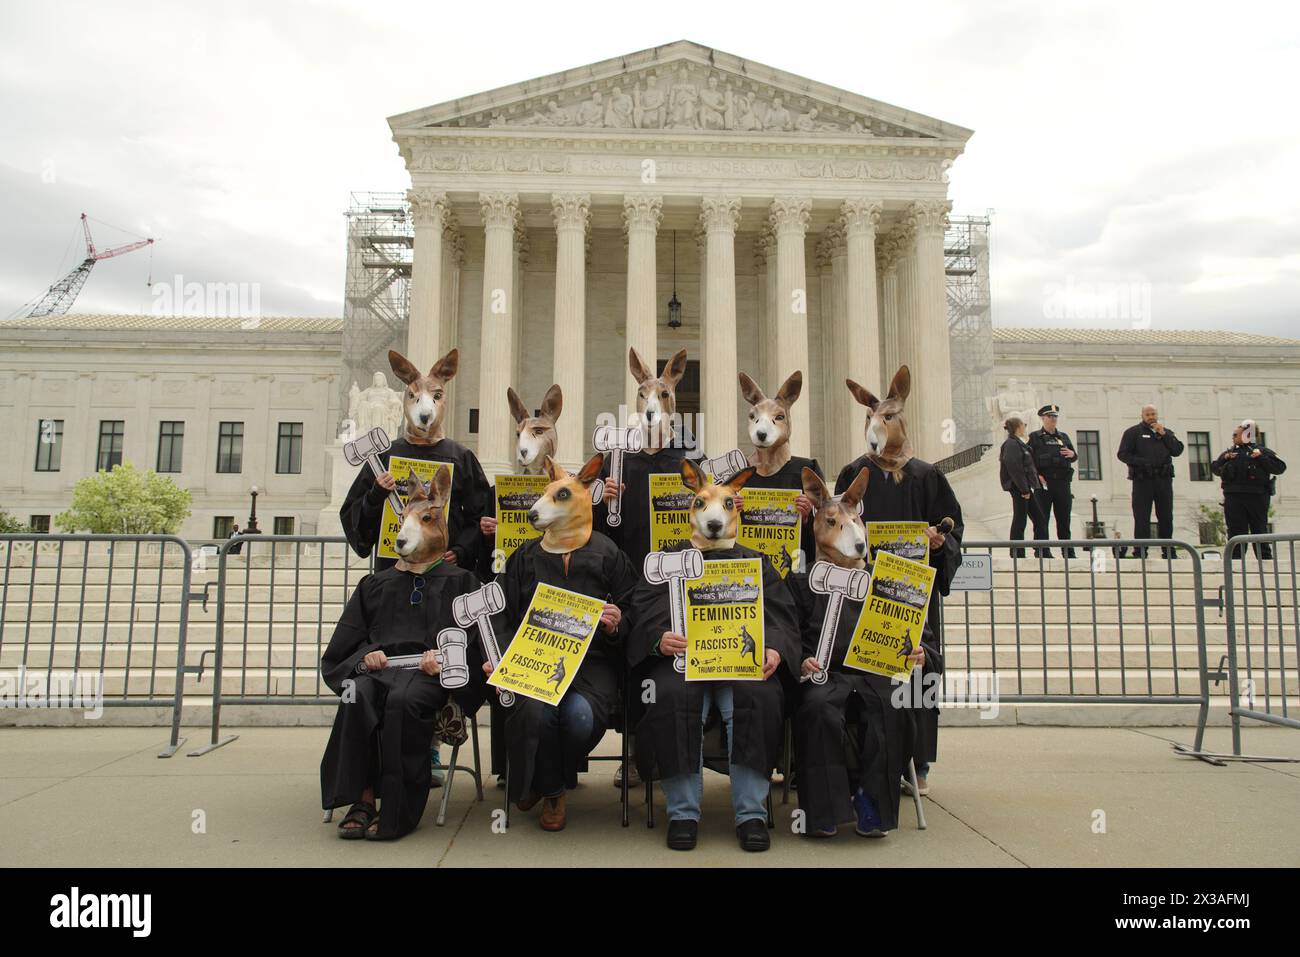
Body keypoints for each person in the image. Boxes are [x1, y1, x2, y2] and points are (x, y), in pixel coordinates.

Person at [628, 460, 801, 852]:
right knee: (669, 697)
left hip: (739, 664)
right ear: (692, 510)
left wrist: (773, 648)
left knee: (758, 696)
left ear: (735, 509)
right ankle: (683, 812)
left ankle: (751, 813)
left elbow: (781, 615)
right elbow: (642, 609)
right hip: (682, 665)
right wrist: (658, 638)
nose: (713, 516)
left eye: (724, 505)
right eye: (704, 505)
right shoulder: (665, 562)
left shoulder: (756, 561)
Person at [320, 467, 487, 840]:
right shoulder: (376, 585)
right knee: (357, 694)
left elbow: (477, 643)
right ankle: (361, 799)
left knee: (404, 700)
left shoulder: (463, 583)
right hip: (378, 669)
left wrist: (444, 661)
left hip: (427, 676)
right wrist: (365, 658)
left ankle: (397, 810)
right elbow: (345, 644)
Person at [486, 454, 639, 831]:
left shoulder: (608, 554)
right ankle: (552, 788)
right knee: (535, 713)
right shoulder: (525, 557)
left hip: (593, 665)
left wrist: (616, 623)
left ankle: (543, 777)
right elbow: (501, 614)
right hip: (535, 660)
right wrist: (501, 656)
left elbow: (635, 607)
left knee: (579, 716)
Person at [836, 366, 963, 797]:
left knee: (918, 665)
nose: (877, 429)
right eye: (871, 421)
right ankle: (863, 756)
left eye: (885, 420)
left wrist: (940, 541)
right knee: (865, 669)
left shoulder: (927, 476)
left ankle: (919, 760)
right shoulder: (854, 472)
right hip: (863, 589)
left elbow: (952, 528)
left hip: (916, 592)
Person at [790, 466, 934, 838]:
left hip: (876, 676)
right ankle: (824, 812)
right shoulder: (801, 582)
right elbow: (787, 633)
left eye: (854, 521)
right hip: (824, 676)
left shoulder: (888, 581)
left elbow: (922, 634)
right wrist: (799, 659)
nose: (849, 530)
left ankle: (872, 807)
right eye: (837, 522)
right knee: (817, 709)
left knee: (894, 709)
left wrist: (920, 653)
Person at [1211, 420, 1286, 560]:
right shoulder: (1229, 453)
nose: (1233, 437)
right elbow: (1215, 469)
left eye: (1236, 435)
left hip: (1257, 497)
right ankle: (1235, 562)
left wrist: (1261, 457)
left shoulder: (1261, 451)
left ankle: (1265, 561)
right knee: (1236, 532)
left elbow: (1280, 468)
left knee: (1259, 530)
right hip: (1234, 497)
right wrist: (1225, 459)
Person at [1116, 404, 1184, 559]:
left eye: (1153, 414)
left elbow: (1177, 450)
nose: (1151, 417)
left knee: (1166, 516)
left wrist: (1164, 434)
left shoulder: (1165, 432)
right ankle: (1140, 551)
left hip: (1163, 480)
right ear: (1142, 415)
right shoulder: (1133, 432)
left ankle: (1168, 550)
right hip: (1143, 480)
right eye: (1148, 414)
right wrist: (1142, 462)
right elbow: (1122, 454)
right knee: (1142, 517)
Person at [1027, 403, 1078, 557]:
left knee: (1064, 518)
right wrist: (1036, 476)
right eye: (1050, 416)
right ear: (1043, 418)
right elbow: (1028, 460)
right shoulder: (1035, 437)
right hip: (1044, 484)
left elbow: (1073, 456)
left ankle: (1067, 551)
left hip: (1062, 483)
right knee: (1041, 519)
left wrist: (1073, 454)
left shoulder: (1063, 437)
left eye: (1055, 416)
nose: (1053, 419)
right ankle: (1042, 550)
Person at [999, 416, 1050, 558]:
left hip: (1024, 488)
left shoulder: (1017, 444)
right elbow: (1015, 468)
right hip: (1020, 489)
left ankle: (1040, 550)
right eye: (1024, 425)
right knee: (1021, 520)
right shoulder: (1011, 444)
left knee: (1037, 519)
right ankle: (1017, 552)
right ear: (1018, 427)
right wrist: (1024, 489)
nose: (1025, 428)